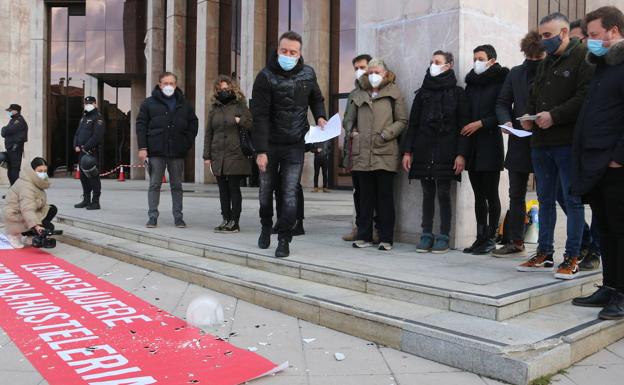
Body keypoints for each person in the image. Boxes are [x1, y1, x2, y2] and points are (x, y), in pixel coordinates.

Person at [517, 12, 593, 279]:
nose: (543, 40)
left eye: (547, 35)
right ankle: (544, 253)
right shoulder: (546, 62)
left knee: (572, 202)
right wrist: (528, 117)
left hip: (567, 142)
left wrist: (555, 116)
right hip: (540, 142)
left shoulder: (583, 57)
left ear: (563, 33)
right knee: (545, 200)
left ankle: (572, 256)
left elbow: (585, 96)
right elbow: (534, 95)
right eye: (541, 36)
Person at [251, 31, 327, 258]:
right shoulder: (264, 77)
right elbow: (259, 116)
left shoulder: (308, 73)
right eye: (284, 51)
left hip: (295, 144)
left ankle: (284, 238)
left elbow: (316, 98)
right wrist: (261, 151)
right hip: (270, 144)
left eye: (293, 52)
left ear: (299, 53)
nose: (288, 55)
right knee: (266, 191)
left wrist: (320, 115)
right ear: (277, 51)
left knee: (290, 192)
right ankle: (266, 226)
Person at [571, 6, 624, 319]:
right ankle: (610, 285)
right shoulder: (603, 67)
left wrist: (619, 158)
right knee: (604, 228)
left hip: (615, 164)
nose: (589, 41)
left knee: (620, 230)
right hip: (595, 163)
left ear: (614, 31)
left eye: (593, 35)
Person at [401, 50, 470, 253]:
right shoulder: (422, 93)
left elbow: (463, 126)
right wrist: (407, 152)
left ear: (448, 65)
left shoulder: (458, 93)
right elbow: (412, 125)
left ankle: (444, 235)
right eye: (431, 61)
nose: (432, 65)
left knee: (443, 193)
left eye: (437, 62)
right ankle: (426, 233)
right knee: (427, 193)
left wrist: (461, 154)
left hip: (447, 152)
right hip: (423, 151)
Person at [345, 58, 407, 251]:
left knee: (385, 197)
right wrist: (352, 131)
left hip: (385, 152)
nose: (372, 75)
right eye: (369, 71)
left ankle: (386, 237)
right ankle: (364, 235)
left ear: (385, 73)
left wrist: (386, 134)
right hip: (362, 153)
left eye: (377, 72)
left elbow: (402, 120)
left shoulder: (393, 92)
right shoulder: (357, 93)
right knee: (365, 197)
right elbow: (348, 119)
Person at [493, 31, 545, 256]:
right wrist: (505, 121)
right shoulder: (515, 73)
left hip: (545, 140)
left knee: (548, 195)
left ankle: (546, 246)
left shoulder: (550, 70)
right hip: (518, 141)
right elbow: (502, 102)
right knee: (516, 194)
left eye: (537, 56)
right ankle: (515, 241)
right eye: (529, 56)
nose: (533, 60)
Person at [462, 45, 509, 255]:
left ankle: (491, 237)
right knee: (478, 195)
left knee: (491, 194)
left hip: (490, 144)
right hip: (473, 146)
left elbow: (502, 110)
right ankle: (479, 238)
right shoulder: (471, 85)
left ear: (492, 60)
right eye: (474, 58)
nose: (476, 62)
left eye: (480, 58)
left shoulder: (501, 81)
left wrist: (482, 123)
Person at [136, 72, 199, 228]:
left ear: (176, 85)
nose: (168, 86)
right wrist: (143, 147)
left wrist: (186, 142)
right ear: (159, 84)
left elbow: (193, 124)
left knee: (177, 186)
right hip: (156, 151)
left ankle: (178, 217)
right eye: (165, 83)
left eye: (172, 83)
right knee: (154, 185)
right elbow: (141, 125)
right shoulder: (149, 103)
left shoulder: (184, 104)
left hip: (177, 152)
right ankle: (152, 217)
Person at [203, 75, 253, 233]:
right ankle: (226, 218)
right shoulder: (214, 109)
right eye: (220, 89)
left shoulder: (240, 105)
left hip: (235, 153)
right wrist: (207, 156)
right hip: (218, 154)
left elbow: (251, 123)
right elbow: (208, 133)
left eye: (226, 89)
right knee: (222, 190)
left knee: (233, 188)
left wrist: (240, 121)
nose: (223, 92)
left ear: (232, 89)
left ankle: (235, 221)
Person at [341, 54, 379, 243]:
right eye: (356, 67)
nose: (359, 71)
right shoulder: (353, 93)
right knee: (359, 192)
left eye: (362, 67)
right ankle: (360, 227)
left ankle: (375, 228)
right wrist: (351, 129)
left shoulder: (377, 91)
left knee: (374, 192)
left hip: (373, 151)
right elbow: (347, 119)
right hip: (355, 150)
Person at [2, 157, 56, 249]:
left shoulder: (34, 180)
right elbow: (27, 209)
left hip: (25, 211)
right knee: (48, 226)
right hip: (16, 215)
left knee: (52, 209)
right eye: (40, 171)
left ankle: (30, 235)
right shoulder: (26, 186)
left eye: (45, 171)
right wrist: (37, 226)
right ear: (32, 171)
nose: (43, 174)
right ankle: (14, 235)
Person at [73, 96, 105, 210]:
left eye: (90, 103)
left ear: (95, 104)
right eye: (86, 103)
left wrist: (86, 147)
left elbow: (97, 136)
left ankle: (95, 202)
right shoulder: (84, 118)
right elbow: (77, 133)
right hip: (82, 153)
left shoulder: (98, 118)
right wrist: (75, 145)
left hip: (92, 152)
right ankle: (86, 199)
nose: (88, 104)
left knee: (93, 176)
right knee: (83, 177)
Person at [1, 104, 28, 185]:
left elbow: (6, 131)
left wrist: (3, 129)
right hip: (11, 149)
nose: (9, 112)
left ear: (15, 111)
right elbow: (5, 132)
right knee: (11, 169)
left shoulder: (19, 121)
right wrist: (4, 130)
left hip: (15, 149)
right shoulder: (13, 120)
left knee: (14, 170)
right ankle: (12, 189)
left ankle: (16, 190)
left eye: (10, 111)